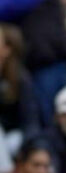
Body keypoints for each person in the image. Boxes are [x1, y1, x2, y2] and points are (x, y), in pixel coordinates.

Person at [0, 24, 41, 157]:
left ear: (6, 49)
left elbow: (30, 119)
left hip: (12, 138)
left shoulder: (20, 78)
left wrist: (27, 145)